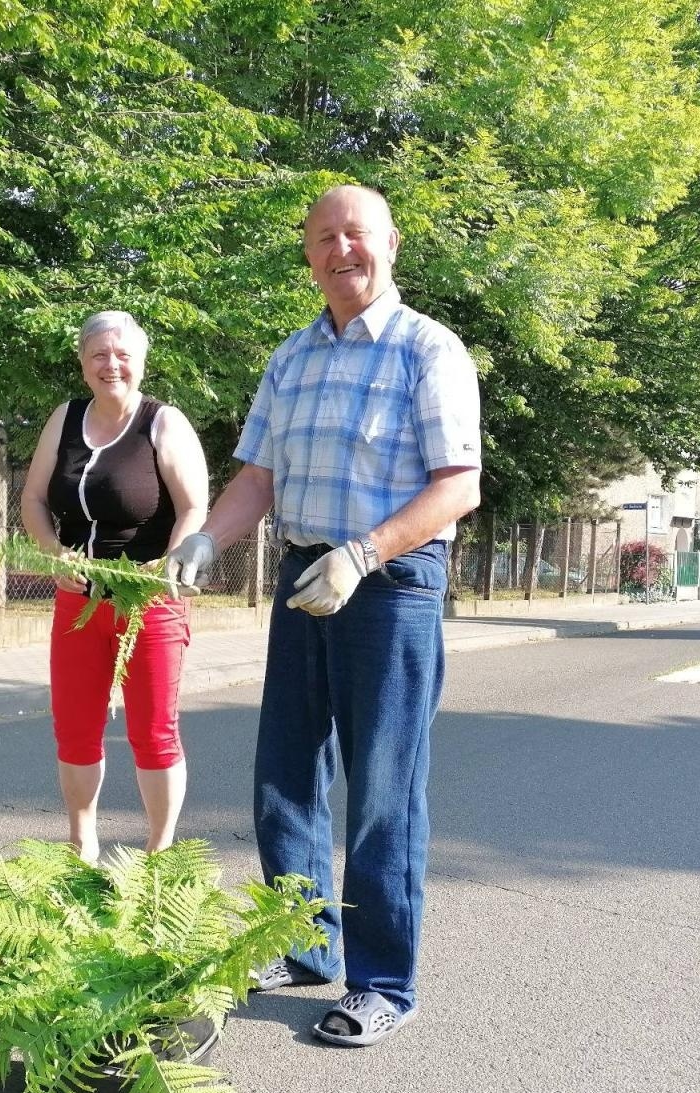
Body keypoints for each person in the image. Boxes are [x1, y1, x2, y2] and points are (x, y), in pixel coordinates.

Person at [166, 185, 482, 1047]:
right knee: (287, 773)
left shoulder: (429, 350)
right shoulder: (293, 357)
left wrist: (365, 554)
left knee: (383, 788)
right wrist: (205, 540)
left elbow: (459, 485)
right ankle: (304, 946)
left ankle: (383, 980)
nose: (341, 250)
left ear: (390, 245)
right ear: (307, 254)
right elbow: (259, 479)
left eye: (357, 235)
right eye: (323, 238)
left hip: (391, 583)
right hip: (306, 576)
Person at [21, 311, 209, 863]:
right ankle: (82, 842)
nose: (112, 365)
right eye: (99, 354)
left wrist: (170, 564)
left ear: (142, 360)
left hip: (149, 598)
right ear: (83, 362)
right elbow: (33, 499)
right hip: (78, 601)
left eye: (123, 353)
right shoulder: (64, 418)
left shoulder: (163, 423)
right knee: (75, 727)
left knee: (153, 731)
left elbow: (194, 506)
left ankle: (159, 853)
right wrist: (54, 554)